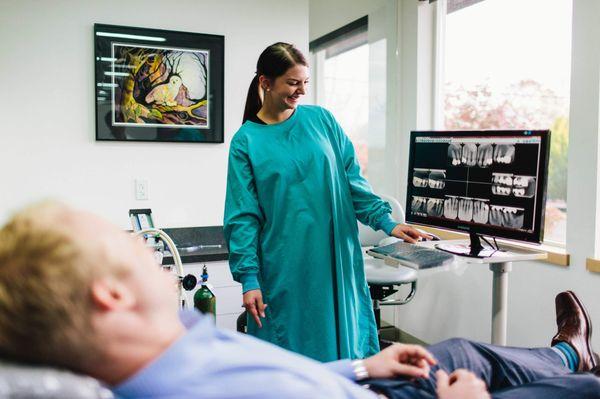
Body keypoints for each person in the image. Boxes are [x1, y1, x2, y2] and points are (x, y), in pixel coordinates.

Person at [0, 202, 599, 399]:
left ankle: (571, 353)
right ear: (110, 295)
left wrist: (363, 366)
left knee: (467, 349)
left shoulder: (171, 345)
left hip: (361, 382)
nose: (139, 240)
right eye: (120, 241)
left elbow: (277, 375)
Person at [223, 42, 430, 362]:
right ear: (265, 82)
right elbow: (243, 216)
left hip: (336, 258)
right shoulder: (246, 141)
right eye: (292, 83)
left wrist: (389, 222)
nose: (301, 90)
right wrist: (249, 278)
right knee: (292, 355)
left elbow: (353, 183)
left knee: (346, 352)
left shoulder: (322, 121)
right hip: (285, 264)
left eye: (305, 82)